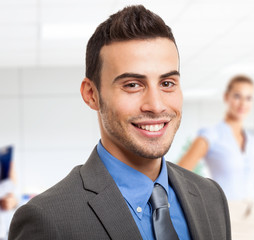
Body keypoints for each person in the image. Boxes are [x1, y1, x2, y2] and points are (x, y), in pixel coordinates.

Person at [8, 5, 231, 240]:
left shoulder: (211, 197)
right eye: (133, 85)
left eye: (167, 83)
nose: (156, 105)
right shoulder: (48, 219)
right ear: (91, 94)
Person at [178, 75, 254, 239]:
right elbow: (179, 173)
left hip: (252, 216)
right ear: (226, 97)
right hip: (223, 214)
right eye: (237, 96)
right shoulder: (211, 135)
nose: (243, 103)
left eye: (248, 98)